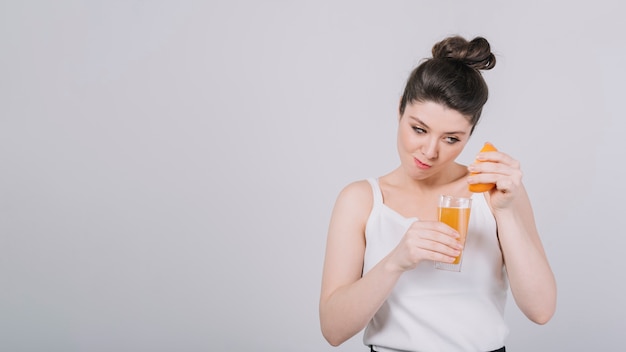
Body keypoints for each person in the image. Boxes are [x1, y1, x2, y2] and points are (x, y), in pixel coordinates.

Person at [319, 35, 557, 352]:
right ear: (400, 110)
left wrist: (505, 211)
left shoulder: (493, 192)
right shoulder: (361, 200)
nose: (430, 151)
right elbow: (333, 329)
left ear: (469, 136)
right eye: (419, 129)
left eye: (451, 139)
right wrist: (396, 261)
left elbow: (541, 311)